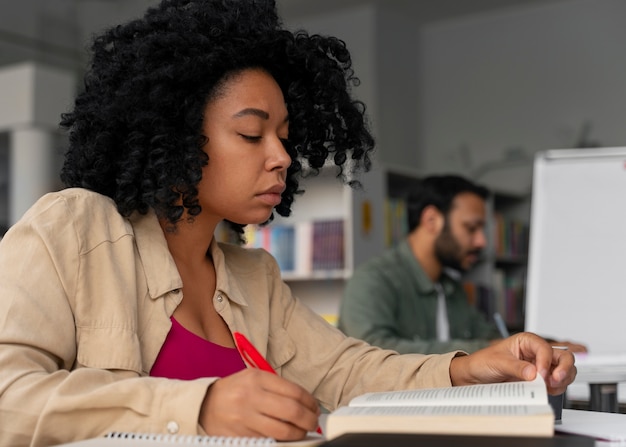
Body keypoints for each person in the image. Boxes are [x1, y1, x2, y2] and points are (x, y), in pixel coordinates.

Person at [0, 1, 576, 446]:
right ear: (174, 135)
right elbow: (8, 397)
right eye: (252, 134)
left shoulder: (254, 275)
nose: (279, 156)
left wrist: (469, 369)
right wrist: (198, 408)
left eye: (283, 135)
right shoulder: (74, 228)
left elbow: (349, 372)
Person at [338, 175, 587, 354]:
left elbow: (488, 336)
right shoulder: (372, 280)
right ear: (431, 220)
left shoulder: (450, 288)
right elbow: (371, 355)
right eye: (471, 228)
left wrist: (544, 343)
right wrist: (493, 348)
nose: (482, 241)